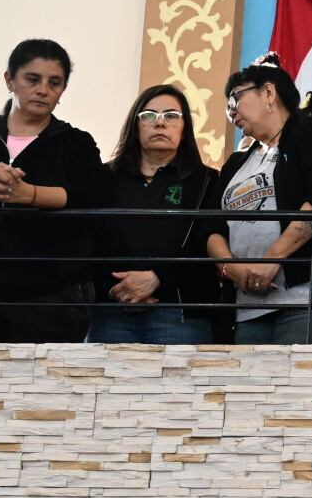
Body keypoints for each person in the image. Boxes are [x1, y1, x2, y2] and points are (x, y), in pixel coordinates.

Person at [0, 39, 109, 343]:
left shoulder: (76, 143)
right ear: (9, 80)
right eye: (32, 79)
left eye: (55, 83)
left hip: (50, 297)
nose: (43, 89)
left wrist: (28, 195)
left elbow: (90, 195)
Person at [212, 61, 312, 346]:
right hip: (248, 307)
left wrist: (271, 260)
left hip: (308, 298)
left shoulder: (311, 129)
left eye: (236, 98)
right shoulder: (235, 163)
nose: (231, 112)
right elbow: (212, 225)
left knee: (299, 388)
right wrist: (231, 268)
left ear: (268, 93)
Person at [88, 84, 217, 346]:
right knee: (102, 386)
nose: (160, 124)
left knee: (180, 388)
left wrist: (158, 278)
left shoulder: (208, 180)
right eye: (149, 116)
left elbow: (207, 244)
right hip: (110, 310)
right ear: (135, 127)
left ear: (184, 129)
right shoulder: (103, 178)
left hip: (181, 313)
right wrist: (123, 290)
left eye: (171, 116)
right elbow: (88, 241)